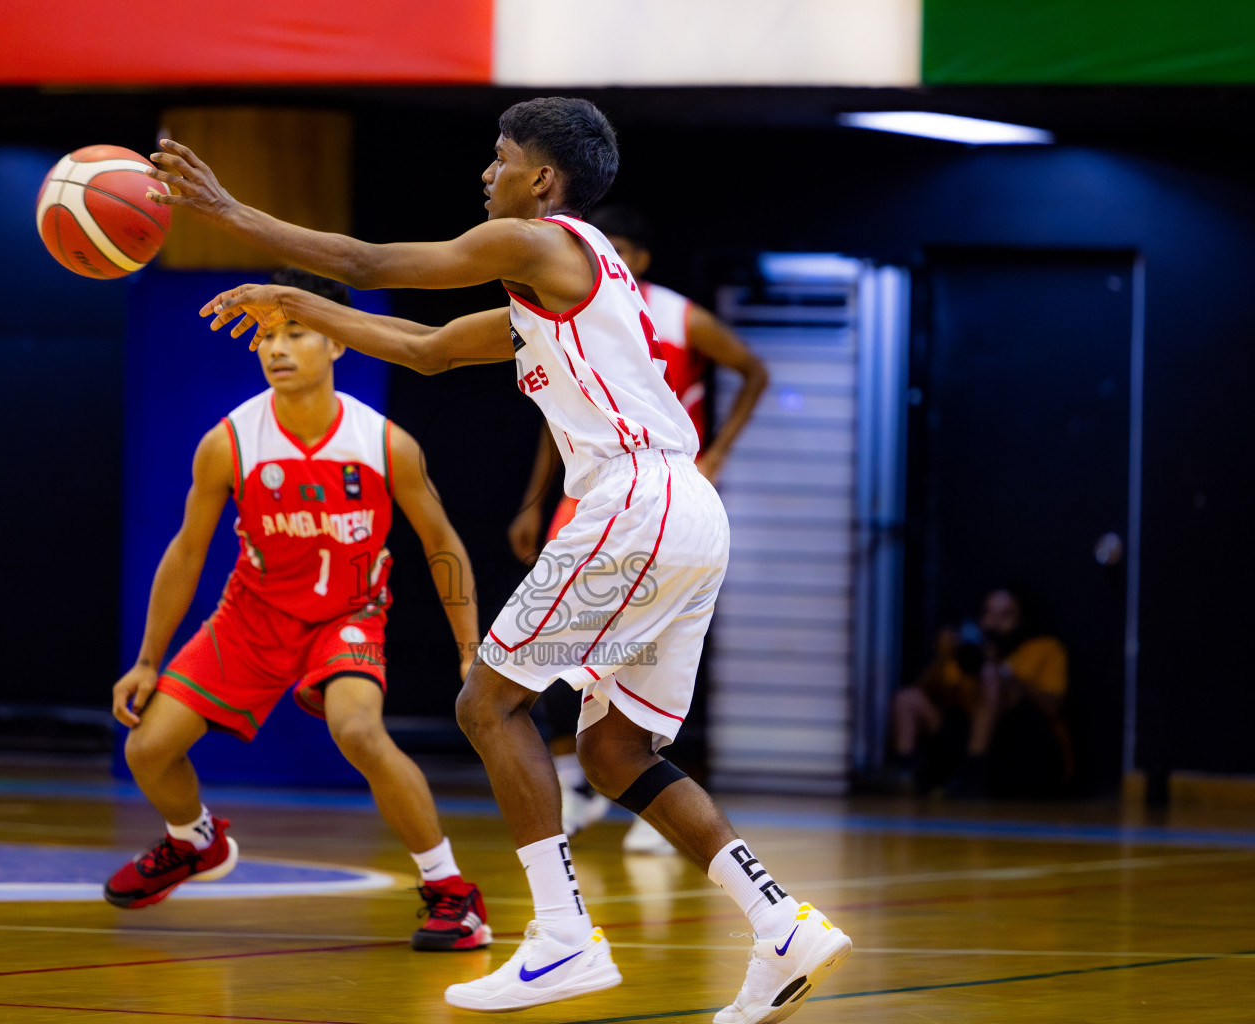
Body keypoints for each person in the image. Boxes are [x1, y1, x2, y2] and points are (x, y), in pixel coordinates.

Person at [146, 96, 850, 1022]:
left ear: (543, 182)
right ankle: (781, 922)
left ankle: (560, 938)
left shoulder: (541, 241)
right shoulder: (565, 287)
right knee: (611, 749)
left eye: (501, 156)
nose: (487, 173)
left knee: (487, 698)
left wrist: (233, 215)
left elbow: (373, 263)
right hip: (686, 514)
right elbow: (428, 349)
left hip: (637, 500)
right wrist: (302, 305)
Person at [107, 269, 491, 953]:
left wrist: (470, 648)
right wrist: (146, 661)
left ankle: (452, 892)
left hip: (346, 614)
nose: (276, 348)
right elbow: (186, 554)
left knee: (359, 732)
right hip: (249, 618)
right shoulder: (229, 442)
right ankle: (194, 842)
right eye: (266, 334)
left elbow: (442, 543)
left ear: (339, 341)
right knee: (147, 748)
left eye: (296, 332)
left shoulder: (384, 444)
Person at [506, 206, 770, 853]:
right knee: (548, 652)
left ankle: (650, 785)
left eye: (619, 249)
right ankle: (580, 782)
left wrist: (720, 452)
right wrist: (534, 503)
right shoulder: (578, 314)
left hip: (659, 491)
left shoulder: (679, 315)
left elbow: (754, 370)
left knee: (657, 647)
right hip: (592, 491)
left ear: (640, 259)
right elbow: (557, 413)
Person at [892, 587, 1071, 797]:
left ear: (1023, 620)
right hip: (969, 744)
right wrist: (945, 656)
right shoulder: (969, 654)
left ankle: (973, 776)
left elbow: (1054, 706)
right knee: (907, 698)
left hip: (1025, 749)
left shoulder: (1045, 649)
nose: (995, 622)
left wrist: (1006, 675)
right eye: (989, 613)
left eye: (1006, 614)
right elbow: (924, 690)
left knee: (991, 675)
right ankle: (908, 778)